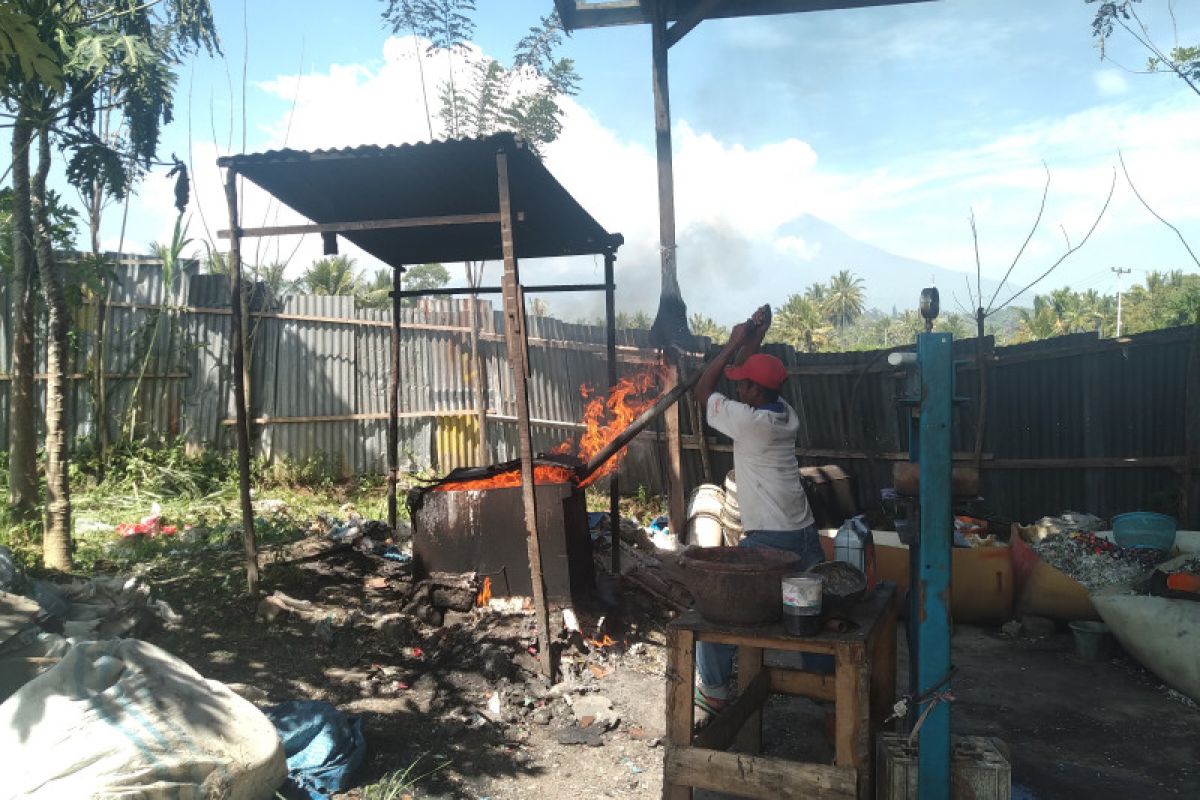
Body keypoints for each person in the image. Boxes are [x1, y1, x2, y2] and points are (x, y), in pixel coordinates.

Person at [691, 304, 824, 716]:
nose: (737, 390)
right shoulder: (785, 414)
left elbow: (702, 390)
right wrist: (756, 335)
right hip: (804, 531)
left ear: (754, 393)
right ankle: (828, 696)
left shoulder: (748, 422)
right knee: (809, 619)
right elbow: (752, 372)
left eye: (743, 386)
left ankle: (714, 690)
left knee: (717, 617)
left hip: (770, 537)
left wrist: (733, 342)